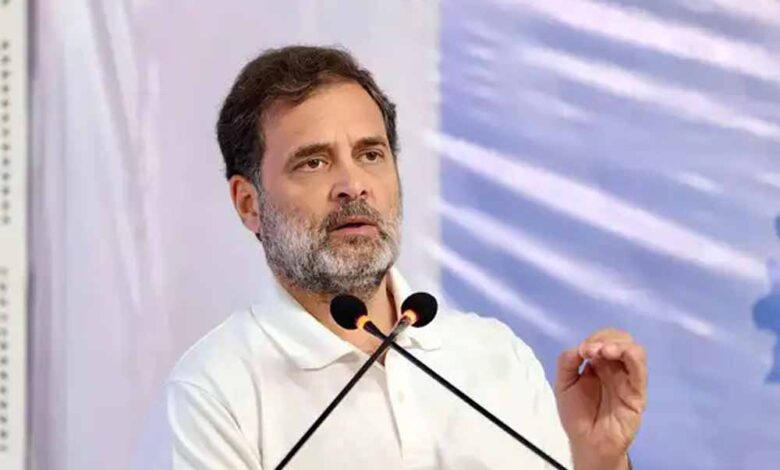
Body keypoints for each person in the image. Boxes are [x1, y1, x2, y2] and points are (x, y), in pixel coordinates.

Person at [158, 45, 647, 469]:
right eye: (314, 162)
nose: (353, 185)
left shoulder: (497, 356)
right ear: (249, 204)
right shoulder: (214, 392)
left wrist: (598, 461)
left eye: (371, 154)